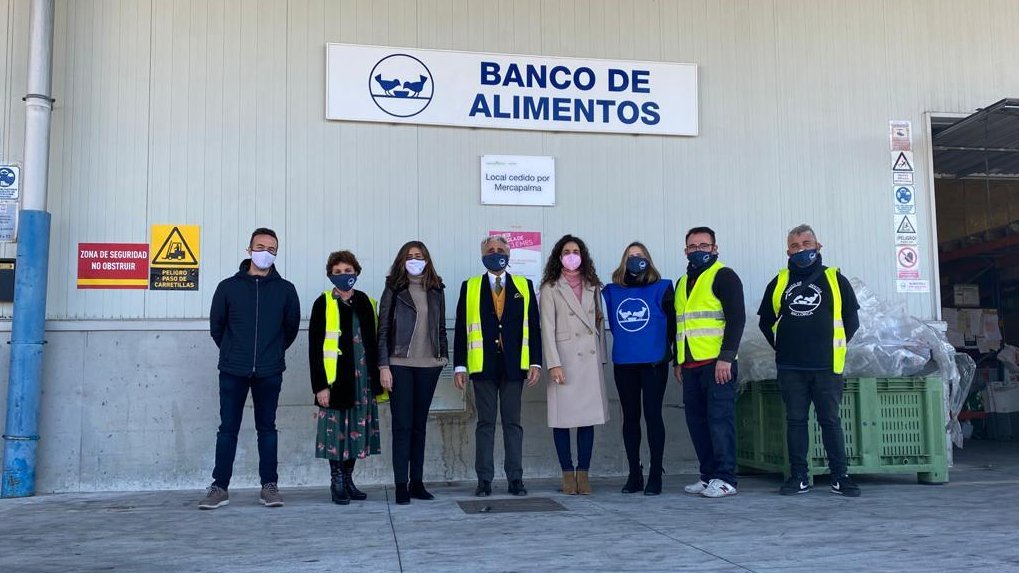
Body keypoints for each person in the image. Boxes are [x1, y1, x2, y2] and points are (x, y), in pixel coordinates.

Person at [200, 228, 300, 510]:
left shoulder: (285, 290)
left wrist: (272, 353)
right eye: (260, 247)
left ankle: (269, 486)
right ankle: (219, 487)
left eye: (271, 249)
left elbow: (289, 330)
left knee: (267, 429)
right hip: (233, 370)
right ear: (249, 250)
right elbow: (217, 328)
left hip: (269, 371)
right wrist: (234, 353)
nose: (265, 253)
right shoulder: (228, 287)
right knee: (227, 430)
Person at [758, 224, 862, 497]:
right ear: (787, 251)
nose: (801, 249)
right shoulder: (779, 281)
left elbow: (851, 319)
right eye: (795, 246)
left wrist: (830, 347)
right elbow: (766, 321)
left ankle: (840, 477)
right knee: (796, 421)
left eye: (806, 243)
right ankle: (799, 477)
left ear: (818, 246)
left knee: (830, 421)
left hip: (827, 366)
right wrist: (783, 347)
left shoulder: (835, 280)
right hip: (791, 367)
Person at [453, 235, 542, 497]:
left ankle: (515, 478)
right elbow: (461, 328)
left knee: (513, 423)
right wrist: (460, 366)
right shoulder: (469, 287)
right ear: (482, 255)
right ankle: (484, 480)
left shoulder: (524, 286)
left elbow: (534, 327)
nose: (496, 253)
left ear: (509, 253)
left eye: (500, 249)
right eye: (490, 250)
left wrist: (535, 361)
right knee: (486, 424)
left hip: (515, 366)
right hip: (483, 366)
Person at [307, 250, 384, 505]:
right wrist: (320, 386)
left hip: (362, 379)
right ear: (330, 275)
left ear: (356, 272)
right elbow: (315, 348)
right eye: (338, 272)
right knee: (336, 431)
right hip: (335, 380)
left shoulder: (366, 302)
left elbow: (375, 341)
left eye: (348, 271)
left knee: (355, 431)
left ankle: (349, 479)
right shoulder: (323, 303)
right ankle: (336, 480)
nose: (343, 276)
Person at [674, 227, 746, 499]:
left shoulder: (724, 276)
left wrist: (726, 357)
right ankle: (708, 476)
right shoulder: (683, 282)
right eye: (693, 247)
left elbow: (736, 319)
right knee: (698, 423)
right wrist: (677, 360)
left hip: (717, 364)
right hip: (691, 365)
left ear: (715, 249)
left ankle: (726, 478)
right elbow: (680, 324)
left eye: (704, 246)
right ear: (686, 251)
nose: (698, 250)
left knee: (720, 420)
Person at [377, 241, 448, 505]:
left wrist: (443, 358)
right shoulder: (394, 288)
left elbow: (440, 326)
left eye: (419, 256)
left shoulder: (436, 288)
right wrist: (384, 366)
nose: (415, 260)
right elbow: (382, 329)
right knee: (402, 426)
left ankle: (417, 482)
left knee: (419, 426)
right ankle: (400, 485)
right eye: (409, 256)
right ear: (401, 261)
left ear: (427, 260)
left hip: (429, 366)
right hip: (400, 364)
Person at [602, 242, 675, 495]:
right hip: (625, 363)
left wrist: (674, 357)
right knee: (630, 419)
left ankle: (656, 474)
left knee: (653, 416)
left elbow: (673, 325)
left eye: (640, 256)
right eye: (631, 256)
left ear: (648, 259)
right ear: (624, 260)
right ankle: (635, 473)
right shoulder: (611, 291)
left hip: (654, 362)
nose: (636, 260)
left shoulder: (663, 287)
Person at [539, 235, 610, 495]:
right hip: (564, 361)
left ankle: (584, 473)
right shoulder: (550, 288)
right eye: (567, 251)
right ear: (559, 257)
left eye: (576, 251)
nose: (572, 255)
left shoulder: (593, 285)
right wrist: (553, 364)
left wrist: (601, 358)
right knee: (561, 419)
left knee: (587, 420)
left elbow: (599, 325)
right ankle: (567, 473)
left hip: (589, 361)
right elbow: (546, 328)